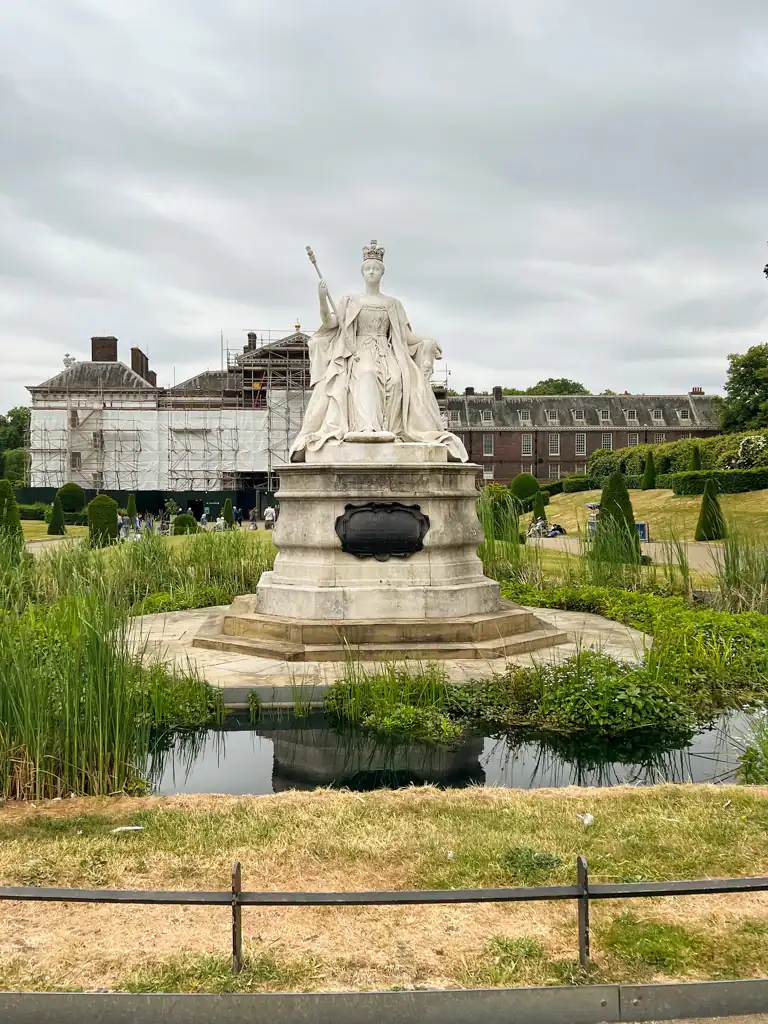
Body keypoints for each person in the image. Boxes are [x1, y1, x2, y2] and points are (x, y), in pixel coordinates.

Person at [289, 240, 468, 461]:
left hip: (387, 351)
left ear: (382, 273)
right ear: (362, 273)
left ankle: (391, 431)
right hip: (359, 351)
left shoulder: (393, 304)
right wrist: (321, 299)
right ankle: (368, 429)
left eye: (375, 268)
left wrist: (428, 341)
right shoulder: (350, 301)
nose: (371, 272)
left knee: (396, 379)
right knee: (367, 373)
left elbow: (406, 336)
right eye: (368, 268)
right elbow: (329, 324)